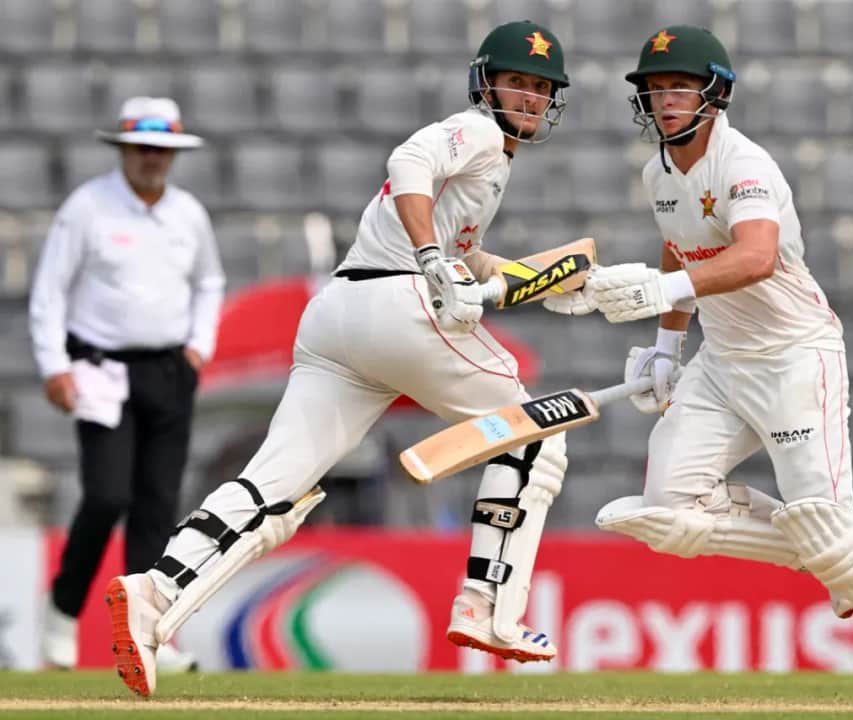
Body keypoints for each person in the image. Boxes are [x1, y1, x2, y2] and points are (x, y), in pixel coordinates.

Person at [105, 21, 585, 697]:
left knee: (273, 486)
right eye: (518, 82)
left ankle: (155, 591)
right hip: (398, 304)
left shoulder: (489, 166)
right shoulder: (477, 132)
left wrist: (552, 283)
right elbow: (408, 164)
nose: (530, 97)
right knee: (537, 435)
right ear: (486, 85)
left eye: (541, 87)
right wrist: (430, 258)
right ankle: (488, 606)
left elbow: (468, 255)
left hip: (338, 318)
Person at [582, 26, 853, 712]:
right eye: (654, 89)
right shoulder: (659, 173)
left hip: (795, 358)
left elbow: (756, 256)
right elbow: (678, 246)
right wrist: (665, 344)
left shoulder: (746, 164)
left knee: (825, 522)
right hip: (722, 362)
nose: (665, 100)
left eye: (680, 86)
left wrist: (667, 291)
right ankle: (832, 554)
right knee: (669, 509)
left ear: (715, 93)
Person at [29, 96, 224, 672]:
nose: (151, 158)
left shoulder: (188, 213)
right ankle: (63, 610)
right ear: (123, 149)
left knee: (157, 506)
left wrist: (200, 345)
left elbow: (209, 282)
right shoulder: (87, 207)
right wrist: (53, 366)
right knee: (107, 496)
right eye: (142, 147)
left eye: (161, 149)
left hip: (169, 370)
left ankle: (152, 636)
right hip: (100, 370)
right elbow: (49, 292)